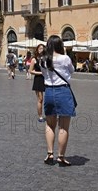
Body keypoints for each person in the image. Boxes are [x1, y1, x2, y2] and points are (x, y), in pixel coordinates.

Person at [40, 35, 75, 167]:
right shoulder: (65, 58)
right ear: (60, 45)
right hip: (63, 91)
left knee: (49, 125)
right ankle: (61, 156)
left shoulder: (43, 59)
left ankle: (50, 153)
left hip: (49, 92)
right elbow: (72, 71)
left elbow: (44, 75)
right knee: (63, 127)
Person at [29, 44, 46, 122]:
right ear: (37, 50)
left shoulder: (46, 58)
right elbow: (30, 71)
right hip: (38, 79)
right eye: (40, 48)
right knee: (40, 99)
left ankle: (50, 114)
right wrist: (41, 73)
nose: (41, 50)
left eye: (42, 48)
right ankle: (40, 116)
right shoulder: (34, 59)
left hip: (47, 79)